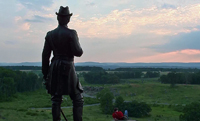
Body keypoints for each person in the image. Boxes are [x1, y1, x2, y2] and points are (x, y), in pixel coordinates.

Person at [42, 6, 84, 121]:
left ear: (58, 18)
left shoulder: (50, 34)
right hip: (68, 67)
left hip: (54, 66)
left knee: (56, 98)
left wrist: (45, 75)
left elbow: (45, 56)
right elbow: (78, 52)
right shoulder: (71, 33)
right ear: (68, 19)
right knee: (77, 98)